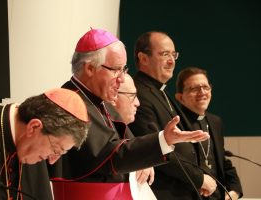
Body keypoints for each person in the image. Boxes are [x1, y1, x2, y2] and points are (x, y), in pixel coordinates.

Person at [49, 28, 209, 200]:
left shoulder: (101, 102)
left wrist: (143, 161)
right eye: (116, 69)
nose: (121, 78)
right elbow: (110, 155)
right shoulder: (70, 102)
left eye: (123, 69)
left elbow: (128, 143)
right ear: (89, 68)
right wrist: (163, 140)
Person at [0, 88, 90, 200]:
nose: (52, 161)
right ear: (33, 127)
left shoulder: (33, 145)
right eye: (55, 150)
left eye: (61, 153)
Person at [128, 31, 210, 199]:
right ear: (143, 58)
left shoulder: (159, 91)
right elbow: (154, 146)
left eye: (174, 54)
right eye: (165, 54)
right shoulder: (139, 93)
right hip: (164, 192)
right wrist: (198, 179)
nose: (172, 61)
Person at [175, 67, 243, 199]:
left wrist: (235, 190)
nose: (202, 92)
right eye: (194, 89)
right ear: (180, 97)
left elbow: (222, 161)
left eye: (205, 87)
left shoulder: (215, 121)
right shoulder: (175, 124)